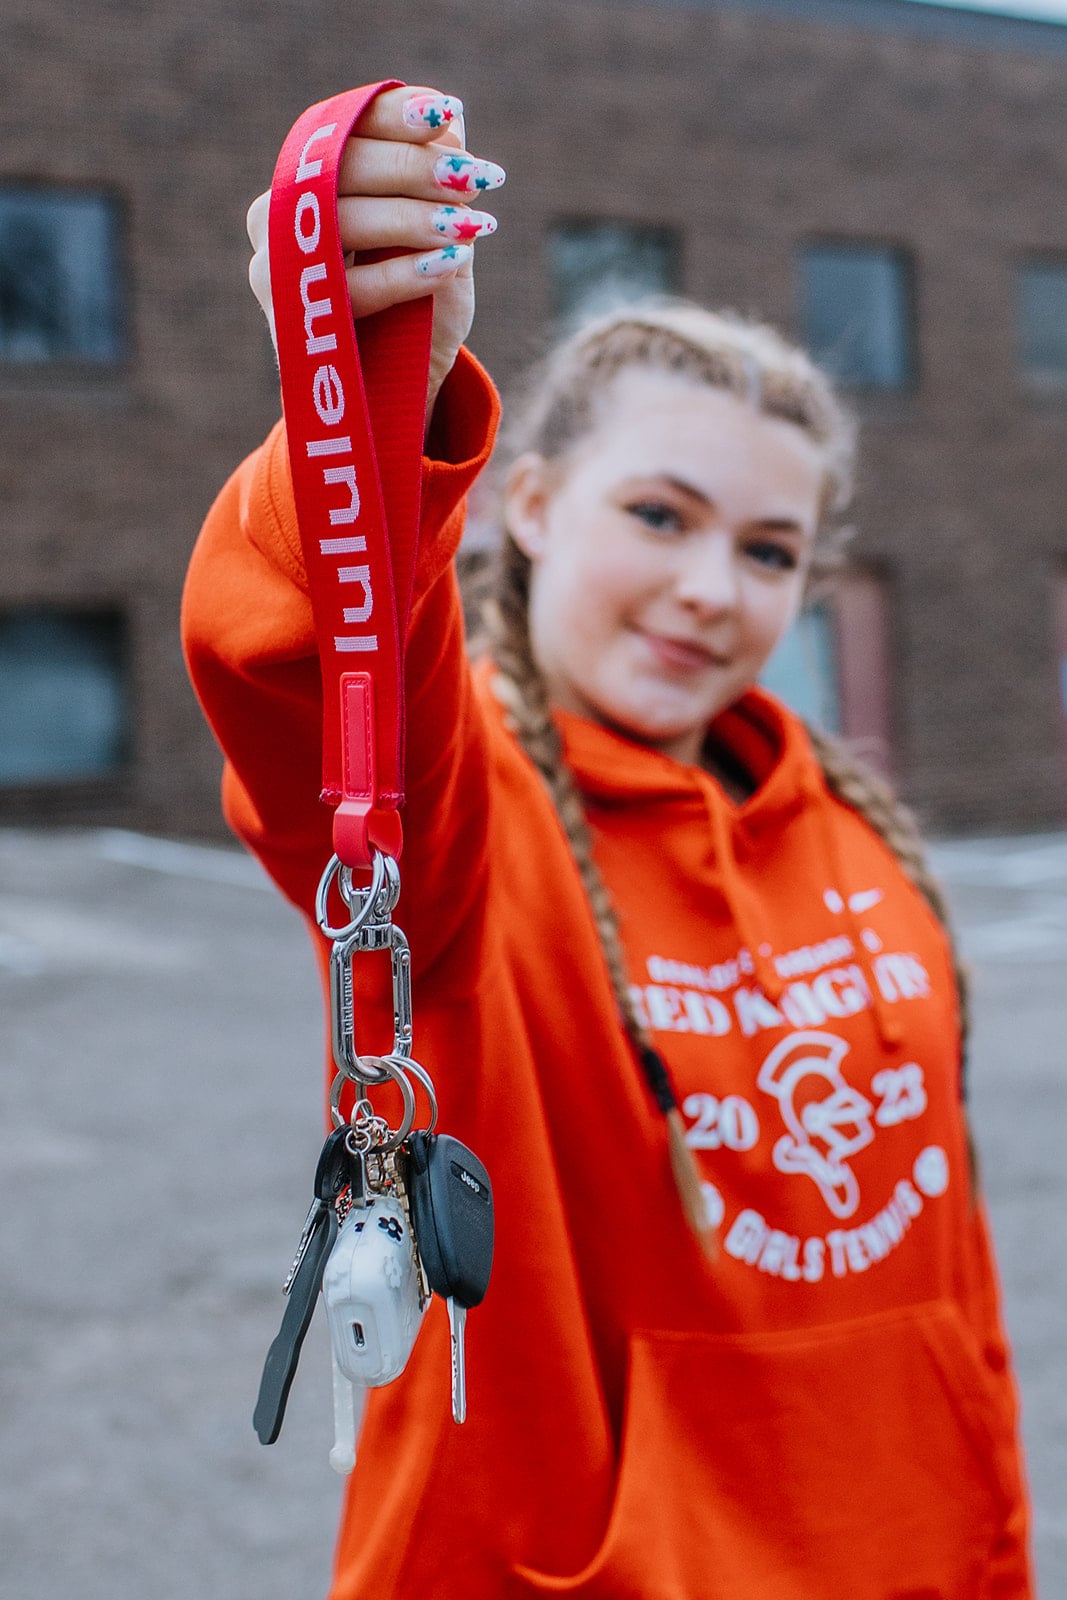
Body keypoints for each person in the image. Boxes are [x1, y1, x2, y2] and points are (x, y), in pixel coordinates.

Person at [182, 84, 1033, 1599]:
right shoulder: (468, 808)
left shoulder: (848, 827)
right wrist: (368, 408)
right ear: (536, 504)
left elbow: (951, 1289)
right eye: (660, 514)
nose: (714, 586)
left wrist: (991, 1552)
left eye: (769, 550)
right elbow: (314, 683)